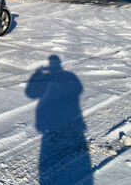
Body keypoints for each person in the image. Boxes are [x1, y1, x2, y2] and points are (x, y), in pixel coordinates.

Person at [26, 55, 93, 184]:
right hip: (57, 117)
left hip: (55, 118)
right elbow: (78, 89)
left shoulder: (63, 76)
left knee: (52, 149)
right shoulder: (67, 75)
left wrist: (37, 74)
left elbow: (31, 93)